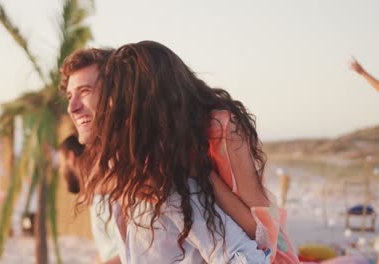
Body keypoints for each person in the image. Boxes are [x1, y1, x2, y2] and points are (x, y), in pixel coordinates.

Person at [79, 41, 280, 263]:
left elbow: (262, 233)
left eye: (123, 103)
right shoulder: (150, 164)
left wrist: (197, 171)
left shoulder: (219, 129)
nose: (115, 114)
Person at [59, 48, 120, 264]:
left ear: (114, 95)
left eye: (84, 91)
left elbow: (137, 253)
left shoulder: (143, 168)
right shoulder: (110, 169)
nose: (72, 107)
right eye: (69, 96)